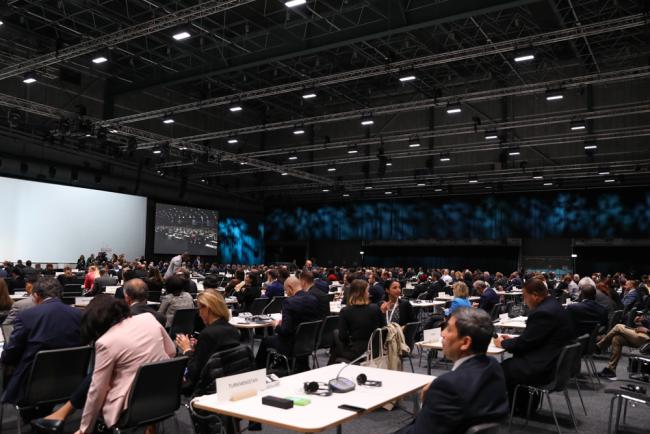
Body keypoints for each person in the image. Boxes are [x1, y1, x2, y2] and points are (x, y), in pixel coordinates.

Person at [395, 308, 509, 434]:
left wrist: (434, 394)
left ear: (465, 342)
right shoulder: (493, 367)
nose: (442, 333)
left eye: (448, 329)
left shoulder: (447, 387)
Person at [494, 278, 575, 414]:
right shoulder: (554, 305)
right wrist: (516, 339)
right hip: (553, 361)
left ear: (535, 296)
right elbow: (535, 338)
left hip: (543, 367)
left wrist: (502, 343)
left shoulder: (543, 313)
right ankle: (523, 405)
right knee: (510, 365)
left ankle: (510, 407)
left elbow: (525, 344)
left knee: (498, 369)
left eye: (525, 297)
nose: (524, 301)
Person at [1, 277, 83, 406]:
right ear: (60, 294)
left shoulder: (26, 316)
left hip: (31, 385)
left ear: (36, 295)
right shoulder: (79, 315)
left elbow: (10, 354)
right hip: (72, 383)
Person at [175, 291, 240, 393]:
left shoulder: (207, 334)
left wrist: (187, 349)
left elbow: (194, 372)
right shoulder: (233, 329)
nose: (199, 313)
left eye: (200, 308)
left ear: (208, 309)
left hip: (207, 387)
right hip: (227, 383)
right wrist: (199, 345)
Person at [255, 276, 321, 369]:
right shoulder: (313, 299)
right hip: (308, 343)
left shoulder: (289, 302)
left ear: (290, 288)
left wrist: (276, 325)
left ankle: (257, 370)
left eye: (286, 291)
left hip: (290, 344)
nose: (287, 293)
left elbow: (285, 331)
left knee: (266, 341)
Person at [329, 279, 384, 364]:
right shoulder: (375, 308)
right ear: (363, 293)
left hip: (357, 352)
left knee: (336, 343)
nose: (369, 294)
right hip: (375, 350)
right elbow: (384, 329)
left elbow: (342, 336)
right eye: (367, 291)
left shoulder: (345, 311)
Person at [596, 314, 650, 379]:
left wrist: (647, 331)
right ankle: (611, 370)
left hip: (647, 341)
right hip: (645, 335)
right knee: (617, 339)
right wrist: (644, 321)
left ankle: (600, 346)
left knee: (618, 326)